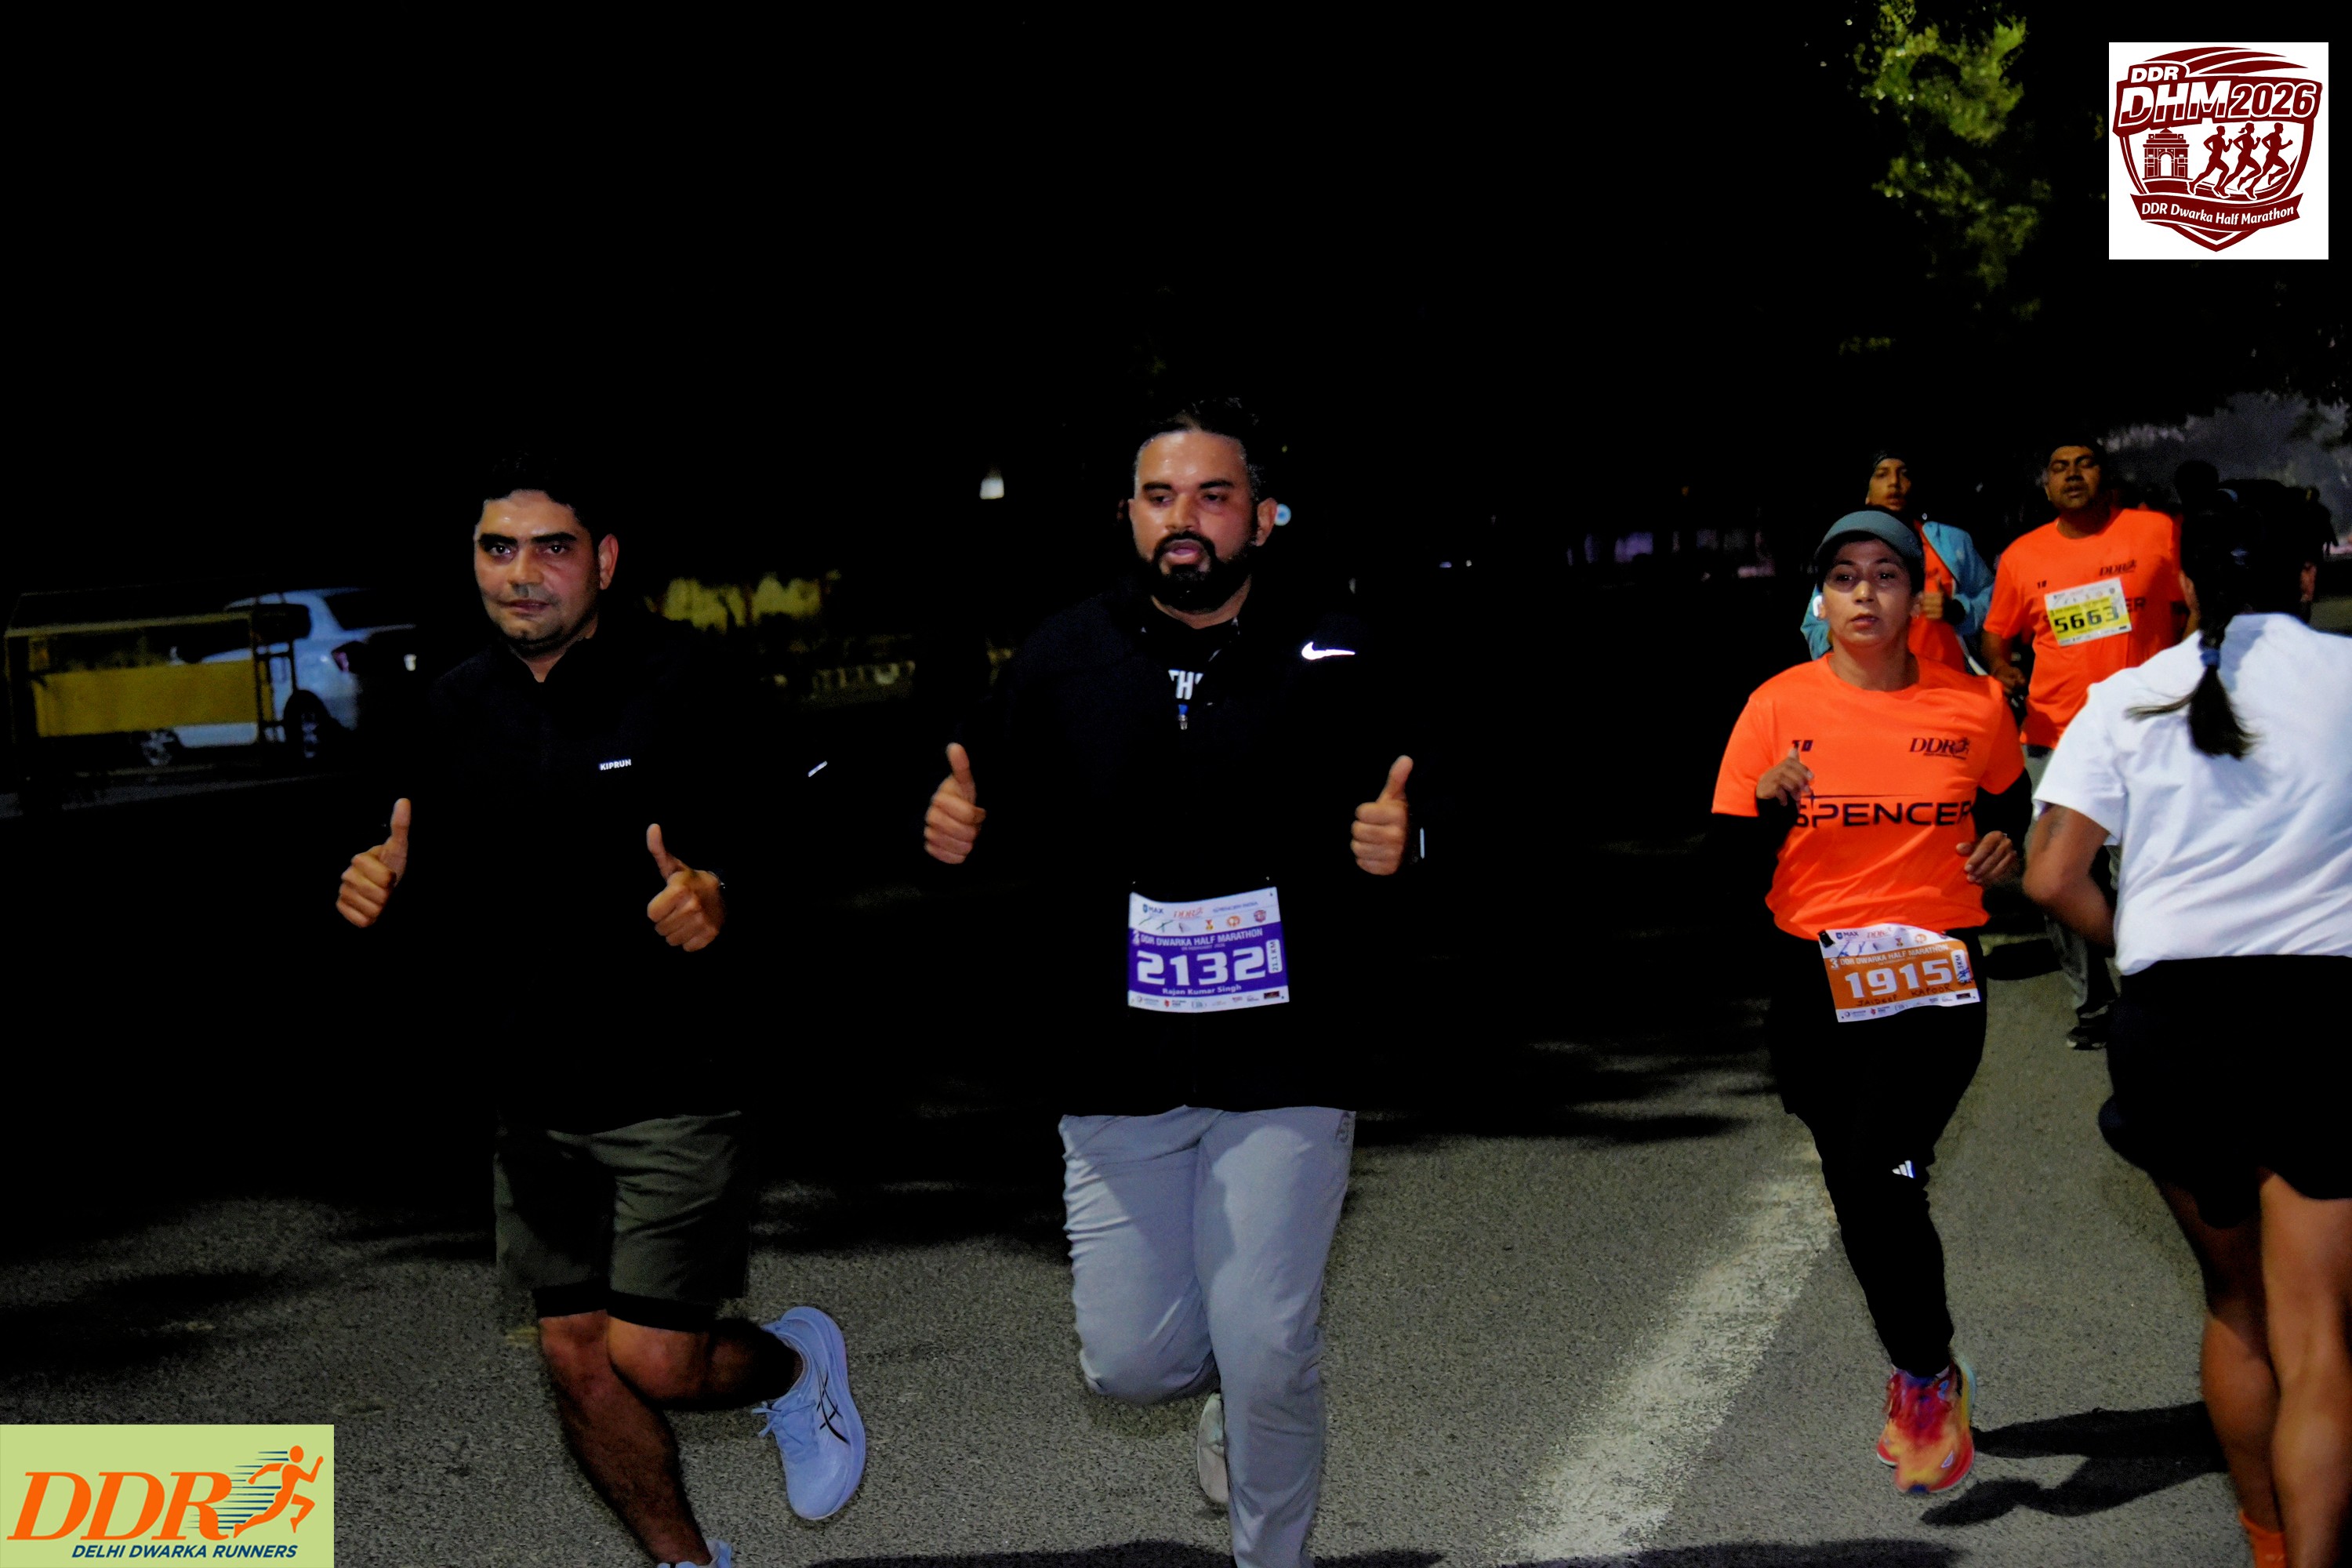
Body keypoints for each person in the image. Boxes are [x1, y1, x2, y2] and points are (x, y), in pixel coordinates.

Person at [333, 469, 864, 1566]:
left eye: (552, 547)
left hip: (679, 1073)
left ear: (606, 559)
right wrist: (374, 885)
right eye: (497, 548)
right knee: (577, 1355)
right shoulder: (449, 707)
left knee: (655, 1359)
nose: (521, 573)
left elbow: (817, 822)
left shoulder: (689, 681)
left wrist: (727, 892)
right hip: (531, 1088)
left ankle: (794, 1366)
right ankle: (685, 1564)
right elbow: (404, 859)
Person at [921, 398, 1412, 1568]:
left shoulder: (1337, 649)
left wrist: (1411, 838)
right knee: (1129, 1364)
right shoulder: (1063, 657)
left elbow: (1430, 784)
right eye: (1159, 497)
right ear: (1129, 517)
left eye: (1213, 495)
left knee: (1271, 1344)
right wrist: (944, 821)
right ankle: (1224, 1390)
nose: (1184, 519)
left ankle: (1270, 1552)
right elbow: (969, 781)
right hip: (1117, 1058)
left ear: (1264, 518)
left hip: (1289, 1051)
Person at [2024, 494, 2351, 1568]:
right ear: (2308, 576)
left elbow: (2051, 876)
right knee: (2318, 1333)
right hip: (2321, 1016)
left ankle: (2265, 1542)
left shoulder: (2122, 696)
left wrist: (2141, 948)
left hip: (2173, 1025)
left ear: (2190, 582)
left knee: (2238, 1307)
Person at [1714, 510, 2027, 1496]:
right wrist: (1766, 804)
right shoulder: (1775, 705)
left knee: (1879, 1172)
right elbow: (1726, 863)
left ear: (1915, 593)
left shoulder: (1975, 705)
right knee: (1859, 1187)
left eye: (1885, 573)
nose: (1864, 593)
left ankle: (1925, 1374)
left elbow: (2009, 811)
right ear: (1822, 596)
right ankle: (1924, 1360)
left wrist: (2005, 849)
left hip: (1933, 976)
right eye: (1845, 575)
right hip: (1814, 978)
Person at [1981, 439, 2187, 1047]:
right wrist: (2002, 668)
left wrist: (2186, 671)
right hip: (2057, 741)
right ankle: (2093, 1002)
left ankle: (2151, 992)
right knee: (2059, 872)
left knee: (2144, 871)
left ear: (2107, 476)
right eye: (2059, 468)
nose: (2072, 475)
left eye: (2085, 463)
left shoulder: (2155, 532)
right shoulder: (2022, 556)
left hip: (2147, 733)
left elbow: (2196, 605)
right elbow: (1997, 636)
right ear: (2046, 488)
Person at [1800, 447, 1995, 673]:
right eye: (1882, 474)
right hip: (1872, 685)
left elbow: (1994, 599)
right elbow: (1814, 628)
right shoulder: (1846, 550)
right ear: (1867, 492)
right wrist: (1841, 626)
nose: (1894, 482)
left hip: (1948, 683)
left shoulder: (1951, 542)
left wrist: (1959, 611)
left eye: (1904, 474)